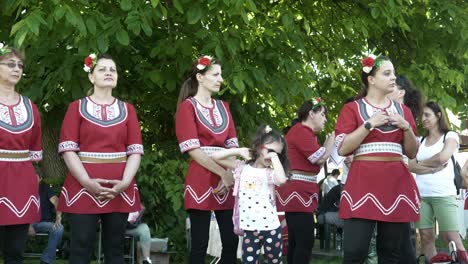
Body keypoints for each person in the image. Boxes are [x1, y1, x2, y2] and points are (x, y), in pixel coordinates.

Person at [57, 53, 144, 264]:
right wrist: (87, 182)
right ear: (91, 77)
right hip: (82, 184)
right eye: (102, 69)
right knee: (81, 245)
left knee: (115, 247)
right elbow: (68, 149)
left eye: (112, 70)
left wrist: (124, 183)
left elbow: (135, 150)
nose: (108, 73)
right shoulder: (76, 107)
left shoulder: (128, 110)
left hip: (119, 186)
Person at [335, 54, 420, 263]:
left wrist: (406, 127)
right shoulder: (352, 109)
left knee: (390, 252)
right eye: (387, 73)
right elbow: (342, 148)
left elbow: (412, 152)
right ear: (371, 79)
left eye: (393, 73)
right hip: (362, 183)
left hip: (396, 185)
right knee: (355, 252)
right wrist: (369, 124)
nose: (393, 78)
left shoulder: (404, 111)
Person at [175, 55, 239, 263]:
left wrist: (229, 174)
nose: (220, 79)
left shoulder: (224, 107)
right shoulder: (187, 107)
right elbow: (193, 149)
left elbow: (232, 146)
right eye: (215, 74)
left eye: (221, 74)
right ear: (200, 77)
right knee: (200, 243)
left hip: (227, 176)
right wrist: (223, 173)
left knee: (231, 240)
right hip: (201, 177)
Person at [212, 125, 288, 263]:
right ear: (259, 147)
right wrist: (239, 150)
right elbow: (215, 157)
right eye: (270, 151)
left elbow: (282, 180)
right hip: (249, 229)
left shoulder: (270, 173)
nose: (272, 156)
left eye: (278, 154)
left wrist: (274, 157)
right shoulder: (242, 168)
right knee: (248, 261)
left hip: (271, 228)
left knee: (275, 261)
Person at [276, 97, 335, 264]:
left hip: (299, 191)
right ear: (311, 113)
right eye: (323, 115)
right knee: (305, 241)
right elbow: (319, 159)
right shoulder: (301, 131)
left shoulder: (303, 133)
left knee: (297, 241)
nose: (325, 119)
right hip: (298, 193)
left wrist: (325, 146)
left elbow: (317, 159)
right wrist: (331, 142)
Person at [408, 101, 468, 263]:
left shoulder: (450, 136)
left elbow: (443, 157)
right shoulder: (420, 141)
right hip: (422, 195)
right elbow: (410, 166)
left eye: (427, 115)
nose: (423, 119)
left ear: (438, 115)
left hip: (444, 193)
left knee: (451, 236)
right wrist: (432, 167)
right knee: (426, 237)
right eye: (422, 115)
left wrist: (421, 164)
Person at [0, 43, 43, 263]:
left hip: (21, 182)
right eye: (10, 64)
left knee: (15, 250)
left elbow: (35, 147)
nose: (16, 68)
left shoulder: (30, 107)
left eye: (20, 65)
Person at [388, 75, 423, 264]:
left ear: (400, 92)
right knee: (394, 238)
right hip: (387, 178)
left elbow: (411, 153)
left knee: (400, 236)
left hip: (398, 179)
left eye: (391, 85)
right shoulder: (382, 112)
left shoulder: (404, 114)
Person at [29, 174, 64, 264]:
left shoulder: (45, 188)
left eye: (35, 176)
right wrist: (28, 225)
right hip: (23, 224)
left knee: (59, 228)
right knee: (10, 227)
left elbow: (57, 201)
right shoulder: (22, 188)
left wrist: (58, 218)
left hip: (42, 223)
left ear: (40, 178)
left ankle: (46, 260)